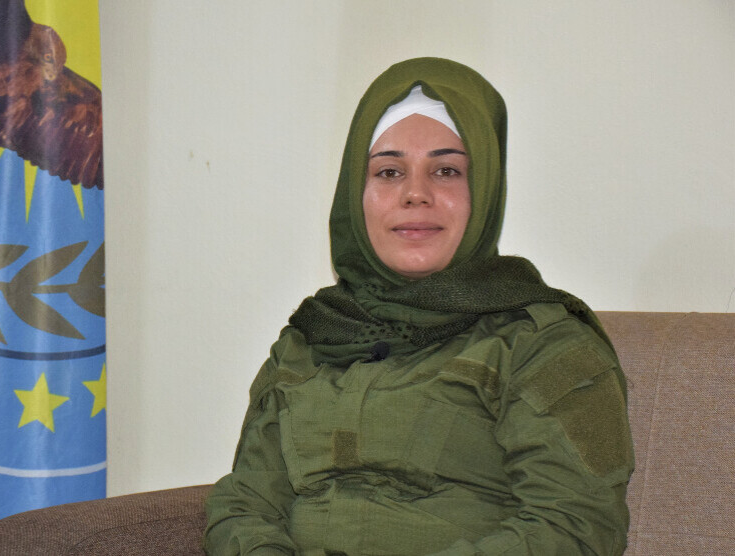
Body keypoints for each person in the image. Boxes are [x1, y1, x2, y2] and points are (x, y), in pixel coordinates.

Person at [203, 58, 634, 555]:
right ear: (355, 193)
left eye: (446, 171)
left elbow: (576, 526)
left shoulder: (538, 342)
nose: (415, 194)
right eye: (389, 172)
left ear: (484, 190)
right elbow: (247, 504)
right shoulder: (312, 337)